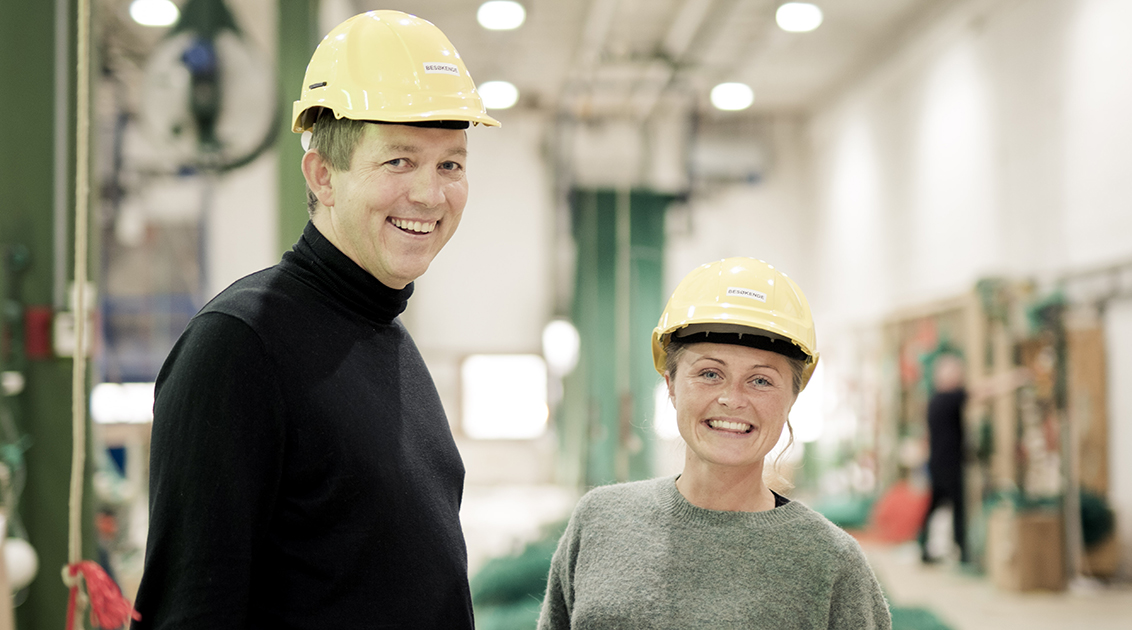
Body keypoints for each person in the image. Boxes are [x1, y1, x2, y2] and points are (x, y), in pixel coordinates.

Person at [131, 11, 499, 629]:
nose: (431, 196)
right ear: (323, 176)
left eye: (450, 165)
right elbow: (192, 609)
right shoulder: (240, 345)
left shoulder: (386, 338)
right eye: (399, 161)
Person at [538, 258, 891, 629]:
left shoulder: (830, 562)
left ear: (793, 396)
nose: (732, 399)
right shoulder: (600, 521)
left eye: (760, 380)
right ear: (671, 384)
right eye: (710, 373)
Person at [917, 354, 968, 565]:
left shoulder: (935, 400)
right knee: (956, 507)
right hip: (947, 464)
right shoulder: (948, 398)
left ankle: (924, 547)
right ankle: (962, 551)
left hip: (938, 462)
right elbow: (982, 392)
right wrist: (1012, 380)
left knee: (935, 506)